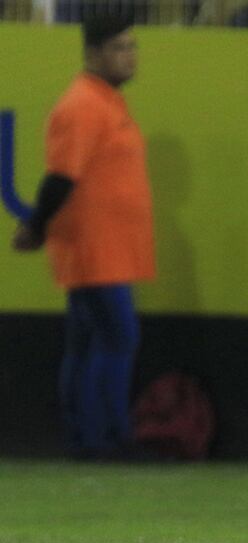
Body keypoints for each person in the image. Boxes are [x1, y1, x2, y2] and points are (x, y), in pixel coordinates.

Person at [11, 11, 154, 461]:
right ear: (93, 54)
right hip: (96, 250)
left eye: (132, 46)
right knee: (117, 339)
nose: (130, 56)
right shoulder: (83, 105)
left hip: (106, 250)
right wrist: (36, 226)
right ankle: (106, 438)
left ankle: (85, 437)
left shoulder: (105, 102)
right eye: (119, 48)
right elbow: (60, 178)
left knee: (88, 343)